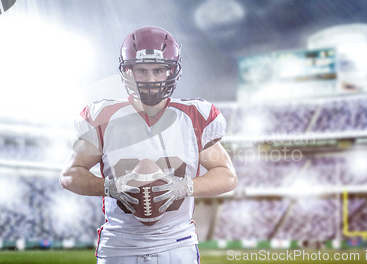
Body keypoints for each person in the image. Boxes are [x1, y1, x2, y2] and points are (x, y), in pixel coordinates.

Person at [60, 26, 237, 264]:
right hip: (119, 245)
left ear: (172, 71)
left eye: (158, 70)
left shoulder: (195, 116)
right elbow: (70, 175)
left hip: (177, 244)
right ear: (127, 71)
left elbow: (227, 176)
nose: (150, 79)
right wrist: (110, 186)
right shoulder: (102, 116)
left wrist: (185, 187)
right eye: (141, 71)